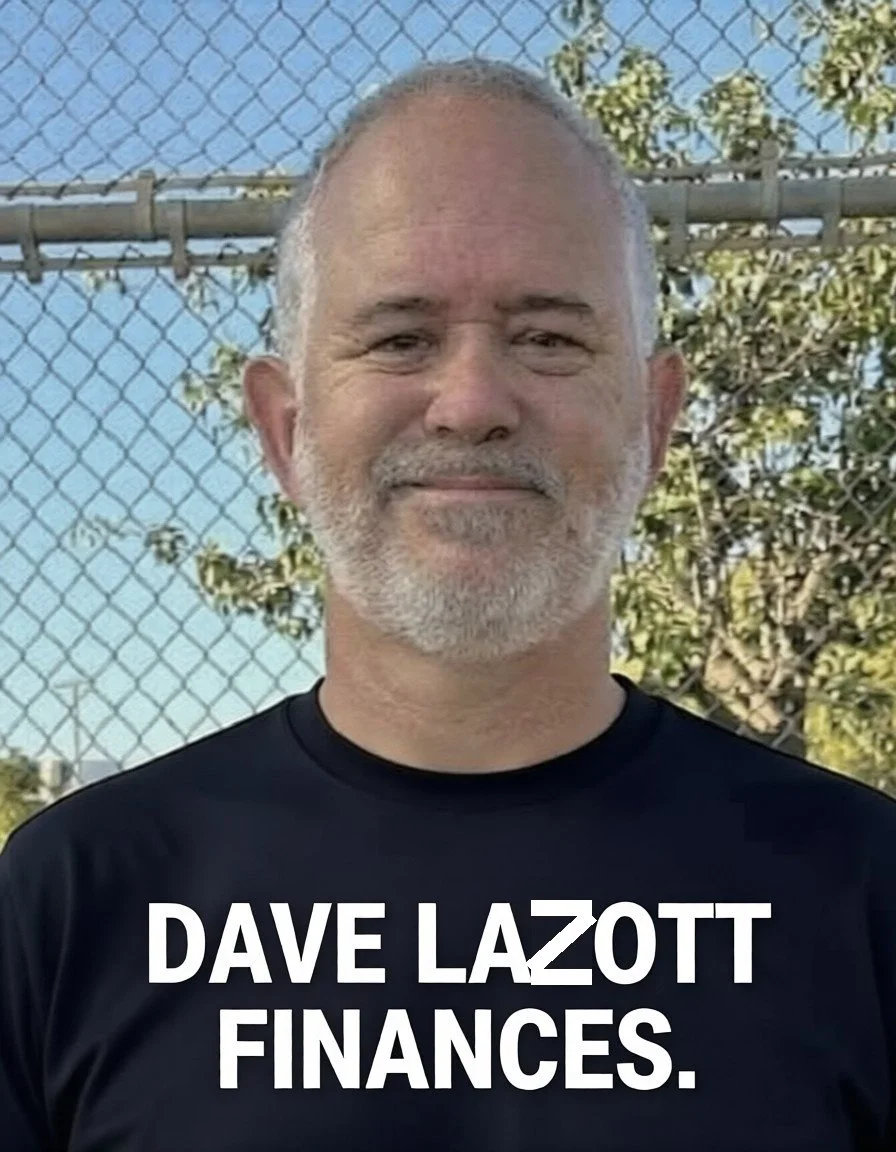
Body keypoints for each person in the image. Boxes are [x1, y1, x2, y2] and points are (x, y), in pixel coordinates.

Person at [1, 56, 894, 1152]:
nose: (471, 403)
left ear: (654, 421)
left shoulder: (859, 892)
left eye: (548, 338)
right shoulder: (76, 902)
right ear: (284, 429)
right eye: (400, 339)